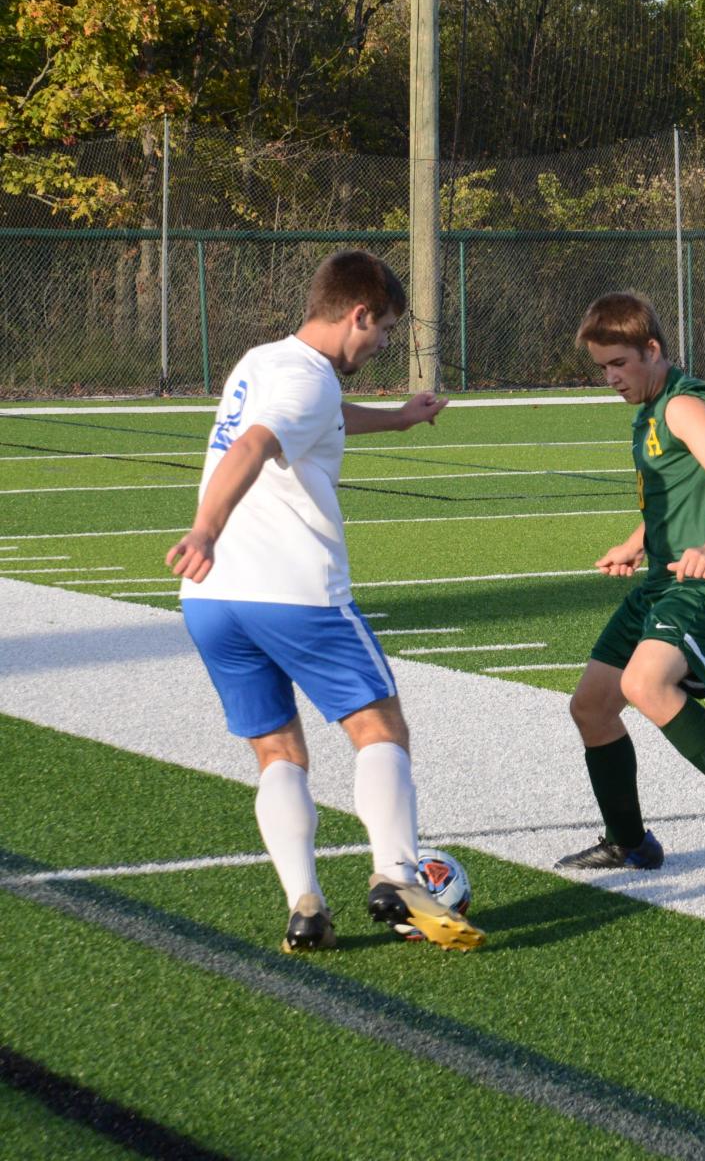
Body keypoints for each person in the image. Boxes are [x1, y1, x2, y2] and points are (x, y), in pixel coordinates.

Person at [165, 250, 484, 953]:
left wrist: (399, 419)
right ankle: (397, 873)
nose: (382, 346)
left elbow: (325, 416)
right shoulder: (306, 384)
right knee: (381, 728)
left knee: (278, 750)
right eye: (384, 331)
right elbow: (255, 444)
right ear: (358, 313)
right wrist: (205, 528)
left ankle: (305, 906)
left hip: (211, 601)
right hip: (294, 593)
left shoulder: (264, 360)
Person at [556, 291, 705, 873]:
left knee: (646, 684)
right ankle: (629, 841)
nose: (609, 377)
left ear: (652, 350)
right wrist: (635, 544)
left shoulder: (683, 406)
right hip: (662, 579)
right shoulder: (649, 412)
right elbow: (677, 497)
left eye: (618, 364)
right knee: (592, 707)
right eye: (602, 366)